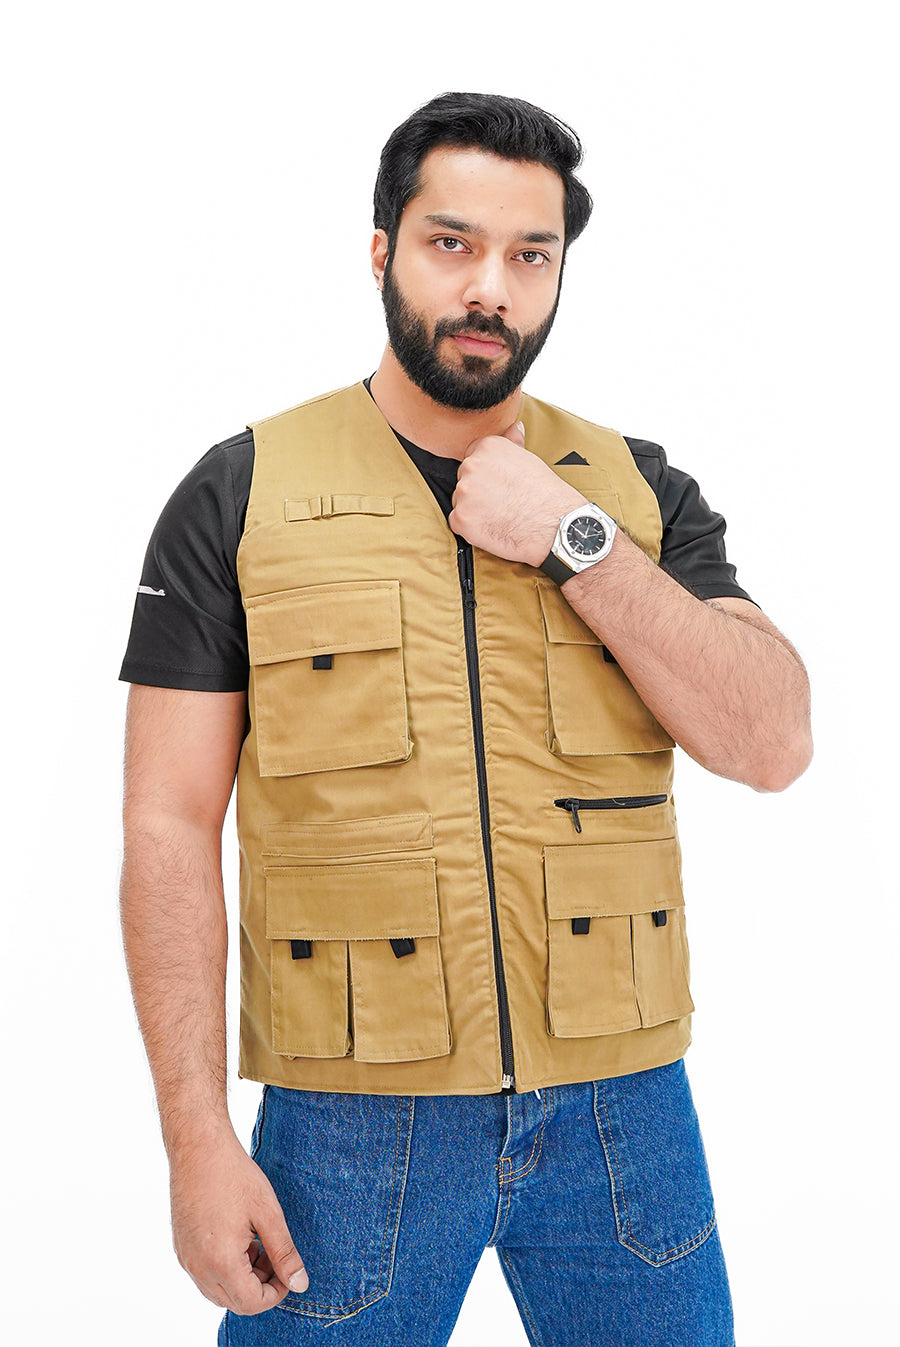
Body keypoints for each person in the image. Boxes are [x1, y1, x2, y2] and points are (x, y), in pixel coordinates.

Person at [118, 92, 812, 1347]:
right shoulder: (240, 493)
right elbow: (167, 824)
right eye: (453, 243)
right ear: (382, 249)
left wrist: (573, 539)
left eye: (530, 255)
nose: (491, 287)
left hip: (623, 1111)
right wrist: (196, 1140)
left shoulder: (635, 492)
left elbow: (772, 743)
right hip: (349, 1121)